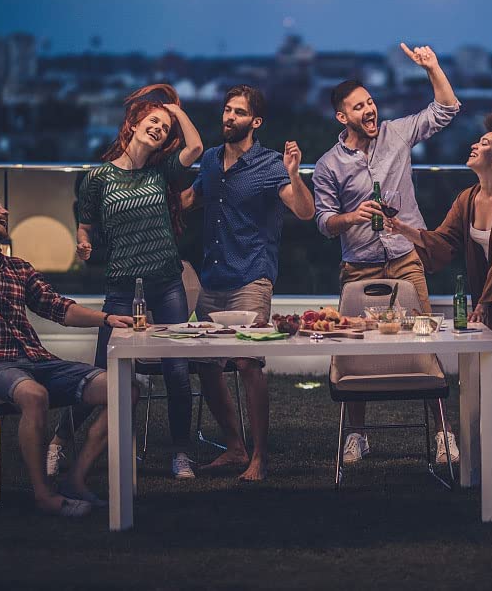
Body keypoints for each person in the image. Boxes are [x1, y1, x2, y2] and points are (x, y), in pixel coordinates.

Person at [0, 106, 136, 517]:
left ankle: (75, 478)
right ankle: (44, 497)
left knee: (123, 388)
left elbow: (57, 308)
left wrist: (106, 318)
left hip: (36, 361)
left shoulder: (17, 267)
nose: (4, 211)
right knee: (34, 395)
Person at [312, 42, 461, 465]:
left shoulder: (397, 133)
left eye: (371, 102)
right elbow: (323, 222)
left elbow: (446, 110)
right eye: (359, 107)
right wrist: (351, 216)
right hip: (358, 266)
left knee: (424, 339)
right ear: (342, 117)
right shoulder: (328, 166)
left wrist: (432, 66)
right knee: (357, 351)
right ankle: (356, 433)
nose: (370, 110)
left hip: (405, 256)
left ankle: (442, 433)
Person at [385, 111, 492, 476]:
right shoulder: (468, 197)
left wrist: (482, 305)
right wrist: (400, 228)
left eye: (484, 144)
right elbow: (443, 242)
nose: (474, 145)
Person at [54, 84, 205, 480]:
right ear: (134, 124)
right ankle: (59, 440)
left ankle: (181, 453)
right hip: (122, 287)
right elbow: (85, 228)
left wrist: (176, 110)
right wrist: (83, 243)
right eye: (153, 121)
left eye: (165, 126)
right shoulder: (98, 178)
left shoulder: (163, 170)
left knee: (176, 370)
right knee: (103, 373)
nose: (159, 128)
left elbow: (195, 148)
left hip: (166, 283)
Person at [180, 85, 314, 482]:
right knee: (206, 365)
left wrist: (294, 174)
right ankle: (234, 446)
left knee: (248, 363)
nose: (228, 117)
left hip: (252, 278)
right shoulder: (208, 161)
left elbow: (305, 212)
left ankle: (259, 456)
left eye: (238, 112)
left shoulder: (271, 164)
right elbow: (190, 199)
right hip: (212, 278)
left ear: (255, 121)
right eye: (226, 110)